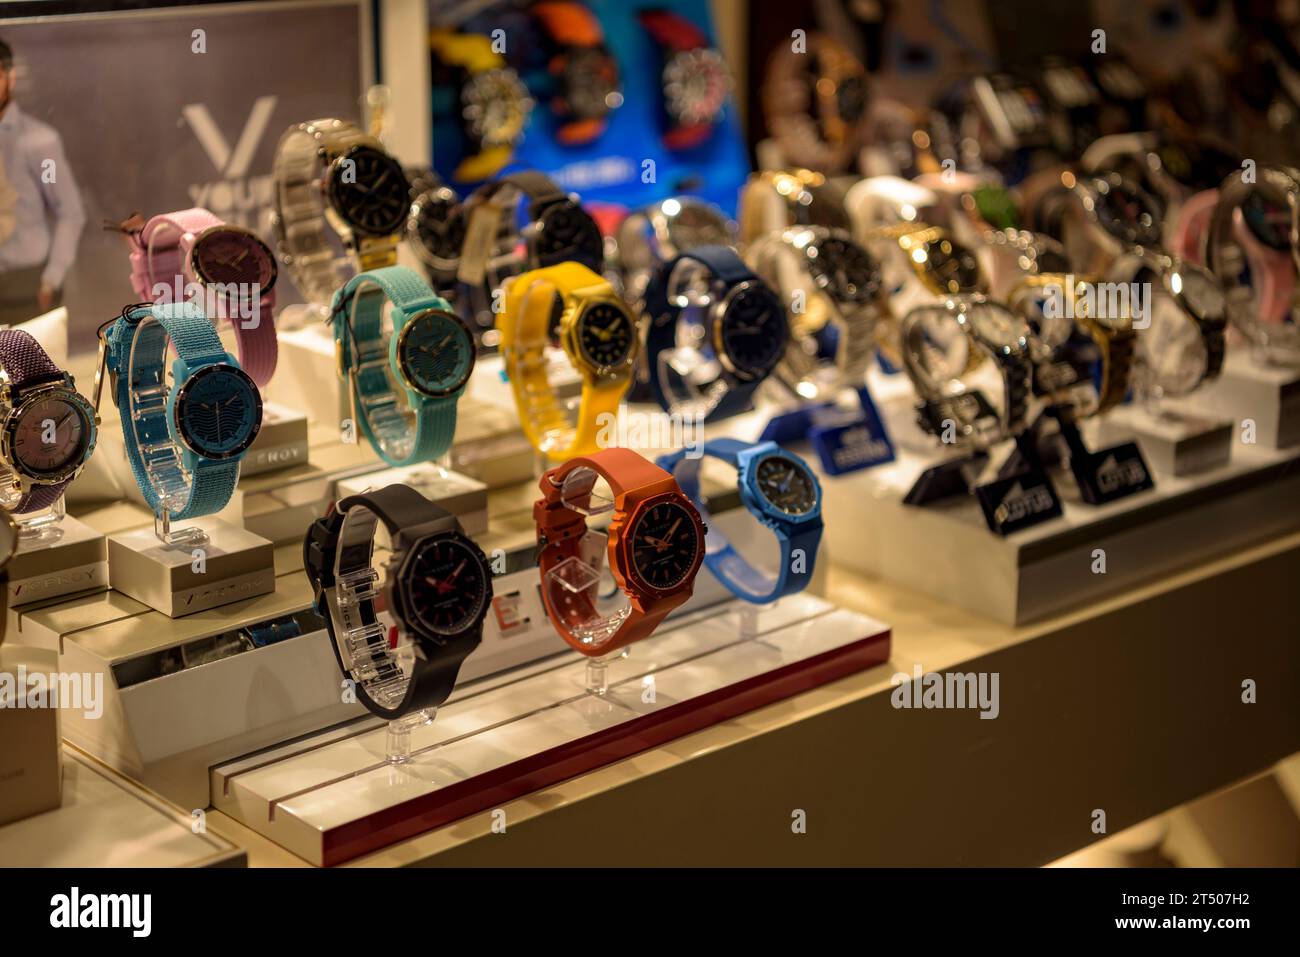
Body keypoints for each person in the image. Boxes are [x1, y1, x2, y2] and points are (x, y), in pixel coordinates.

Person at [0, 36, 86, 325]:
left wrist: (52, 276)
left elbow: (70, 212)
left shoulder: (38, 142)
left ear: (10, 78)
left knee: (33, 365)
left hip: (28, 283)